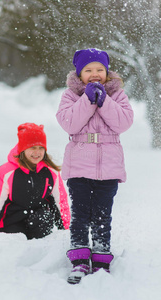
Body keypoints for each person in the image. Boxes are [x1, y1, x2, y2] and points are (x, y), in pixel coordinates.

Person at [56, 48, 134, 284]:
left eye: (100, 69)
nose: (95, 74)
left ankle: (101, 259)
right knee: (80, 214)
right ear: (80, 75)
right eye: (88, 70)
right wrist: (88, 100)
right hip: (80, 166)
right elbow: (69, 123)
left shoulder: (118, 95)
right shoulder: (70, 95)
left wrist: (104, 100)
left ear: (107, 72)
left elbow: (123, 122)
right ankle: (79, 259)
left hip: (108, 168)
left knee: (102, 214)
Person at [0, 122, 70, 242]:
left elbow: (61, 204)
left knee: (44, 217)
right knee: (15, 239)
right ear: (23, 149)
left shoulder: (51, 173)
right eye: (32, 148)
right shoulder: (5, 173)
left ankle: (39, 251)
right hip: (11, 222)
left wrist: (68, 233)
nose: (37, 152)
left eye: (41, 148)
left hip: (38, 222)